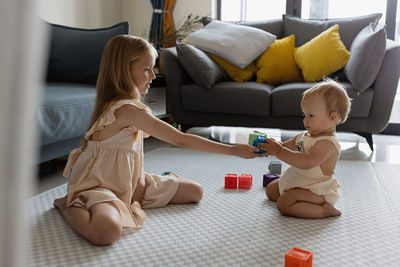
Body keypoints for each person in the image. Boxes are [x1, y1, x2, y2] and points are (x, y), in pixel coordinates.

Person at [53, 35, 261, 246]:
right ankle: (69, 206)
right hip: (100, 187)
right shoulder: (127, 110)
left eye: (153, 69)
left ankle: (133, 194)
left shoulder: (129, 107)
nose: (153, 75)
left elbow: (132, 156)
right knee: (107, 231)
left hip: (130, 182)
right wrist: (232, 150)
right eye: (146, 69)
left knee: (195, 191)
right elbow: (181, 140)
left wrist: (140, 188)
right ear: (124, 70)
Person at [258, 79, 351, 219]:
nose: (305, 120)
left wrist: (278, 151)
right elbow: (283, 147)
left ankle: (324, 210)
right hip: (298, 179)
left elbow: (306, 162)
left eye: (311, 115)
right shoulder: (303, 136)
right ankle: (298, 199)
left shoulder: (327, 143)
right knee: (271, 190)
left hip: (316, 189)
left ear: (333, 117)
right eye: (304, 115)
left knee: (284, 204)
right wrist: (271, 146)